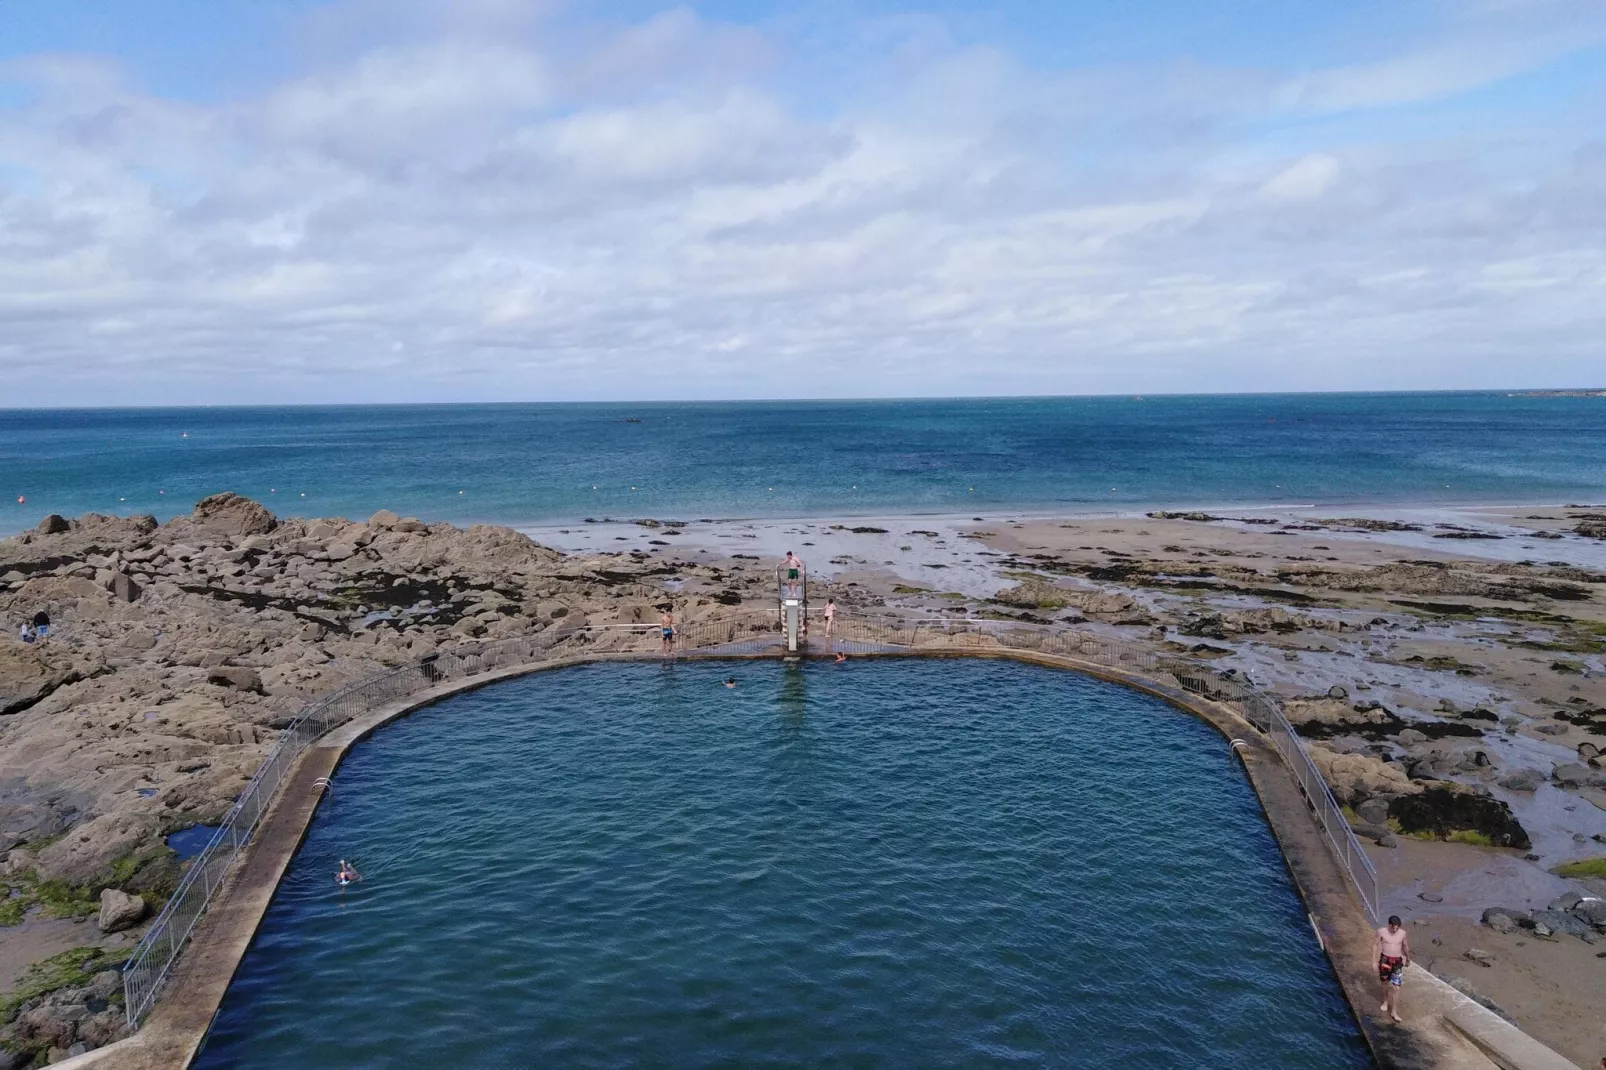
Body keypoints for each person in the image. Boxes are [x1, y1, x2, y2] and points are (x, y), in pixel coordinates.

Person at [1374, 915, 1411, 1023]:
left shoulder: (1402, 933)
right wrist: (1374, 961)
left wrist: (1408, 959)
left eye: (1397, 927)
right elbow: (1375, 945)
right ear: (1389, 924)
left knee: (1397, 987)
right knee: (1385, 982)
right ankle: (1385, 1001)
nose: (1395, 929)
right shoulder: (1381, 932)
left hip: (1397, 962)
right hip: (1385, 960)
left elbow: (1405, 946)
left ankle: (1394, 1011)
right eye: (1393, 927)